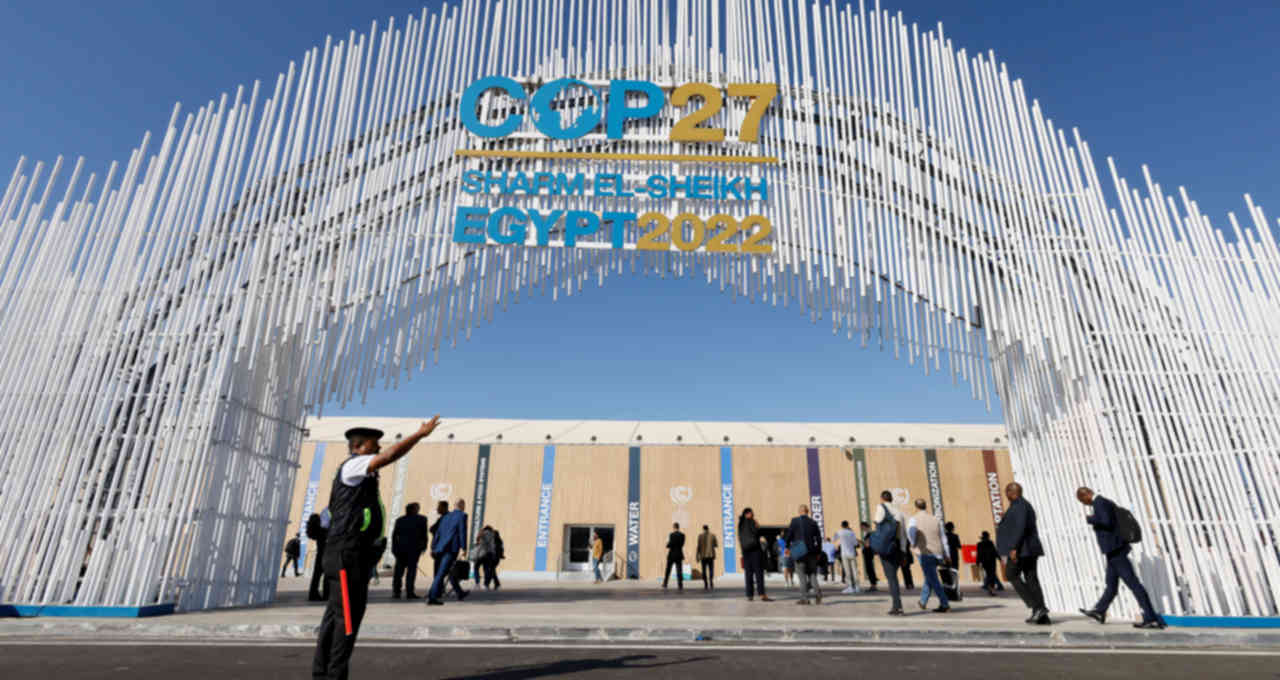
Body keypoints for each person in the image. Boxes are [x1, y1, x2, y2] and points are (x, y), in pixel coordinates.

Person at [312, 417, 441, 680]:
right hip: (346, 554)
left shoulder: (363, 476)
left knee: (336, 618)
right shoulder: (354, 466)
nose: (379, 448)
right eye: (374, 445)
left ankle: (322, 673)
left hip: (349, 554)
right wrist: (419, 435)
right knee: (347, 620)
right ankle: (333, 676)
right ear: (358, 447)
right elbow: (390, 456)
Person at [1076, 487, 1166, 629]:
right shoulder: (1103, 502)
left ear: (1086, 494)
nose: (1085, 504)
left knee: (1133, 584)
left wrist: (1091, 519)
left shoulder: (1100, 502)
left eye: (1082, 501)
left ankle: (1151, 618)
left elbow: (1107, 522)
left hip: (1115, 549)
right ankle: (1100, 611)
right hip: (1113, 550)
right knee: (1111, 585)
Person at [997, 482, 1050, 625]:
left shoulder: (1020, 505)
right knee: (1031, 579)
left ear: (1011, 492)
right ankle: (1042, 615)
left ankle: (1037, 607)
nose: (1006, 496)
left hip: (1022, 549)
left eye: (1006, 493)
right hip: (1027, 549)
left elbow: (1020, 527)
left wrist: (1014, 548)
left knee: (1011, 574)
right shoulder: (1021, 505)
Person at [907, 499, 951, 613]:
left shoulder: (913, 519)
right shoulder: (936, 519)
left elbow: (911, 533)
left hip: (925, 553)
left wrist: (913, 543)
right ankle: (923, 601)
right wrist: (947, 554)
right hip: (938, 552)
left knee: (933, 579)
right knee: (929, 576)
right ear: (926, 506)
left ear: (916, 507)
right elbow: (943, 538)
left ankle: (944, 603)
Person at [871, 491, 909, 615]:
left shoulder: (880, 507)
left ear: (882, 498)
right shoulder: (900, 513)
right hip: (898, 547)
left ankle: (897, 607)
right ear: (892, 499)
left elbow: (876, 522)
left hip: (887, 548)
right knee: (894, 577)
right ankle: (897, 605)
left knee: (892, 578)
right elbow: (903, 535)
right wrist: (903, 551)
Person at [427, 499, 469, 605]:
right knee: (441, 573)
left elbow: (437, 533)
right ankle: (432, 596)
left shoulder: (445, 517)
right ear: (462, 506)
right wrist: (464, 548)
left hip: (439, 549)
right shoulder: (462, 516)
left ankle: (459, 593)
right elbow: (462, 531)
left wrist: (433, 547)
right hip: (450, 549)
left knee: (446, 572)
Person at [784, 505, 824, 605]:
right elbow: (819, 539)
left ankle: (805, 599)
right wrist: (818, 552)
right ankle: (818, 594)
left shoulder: (795, 521)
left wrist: (788, 546)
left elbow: (788, 536)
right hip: (812, 553)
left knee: (801, 576)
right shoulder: (813, 522)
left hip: (800, 552)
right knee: (812, 574)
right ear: (808, 511)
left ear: (799, 511)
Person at [391, 503, 428, 599]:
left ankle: (396, 591)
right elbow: (424, 535)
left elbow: (394, 536)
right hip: (413, 550)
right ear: (414, 510)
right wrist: (424, 546)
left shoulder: (399, 520)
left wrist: (394, 548)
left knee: (399, 572)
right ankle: (409, 591)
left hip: (401, 549)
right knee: (411, 571)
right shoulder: (422, 519)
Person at [738, 508, 773, 602]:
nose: (753, 514)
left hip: (745, 551)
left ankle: (750, 595)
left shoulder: (740, 524)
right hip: (755, 551)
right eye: (752, 513)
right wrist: (757, 526)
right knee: (759, 573)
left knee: (748, 574)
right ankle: (762, 594)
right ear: (748, 513)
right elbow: (757, 533)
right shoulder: (752, 521)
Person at [306, 513, 329, 601]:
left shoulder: (318, 531)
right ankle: (326, 595)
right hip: (327, 555)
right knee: (327, 576)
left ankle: (313, 594)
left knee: (316, 576)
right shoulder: (325, 531)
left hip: (319, 555)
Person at [835, 520, 861, 594]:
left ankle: (850, 587)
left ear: (841, 526)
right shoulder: (851, 533)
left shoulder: (839, 532)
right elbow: (855, 543)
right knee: (854, 570)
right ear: (848, 525)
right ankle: (857, 587)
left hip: (844, 554)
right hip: (852, 553)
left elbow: (834, 539)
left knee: (847, 571)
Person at [472, 525, 501, 589]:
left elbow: (476, 542)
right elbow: (493, 546)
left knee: (476, 568)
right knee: (486, 570)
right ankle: (486, 584)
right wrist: (493, 554)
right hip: (488, 554)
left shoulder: (481, 533)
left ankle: (477, 583)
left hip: (480, 554)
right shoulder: (492, 535)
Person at [976, 530, 1003, 595]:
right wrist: (999, 558)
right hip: (992, 561)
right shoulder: (990, 543)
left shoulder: (979, 544)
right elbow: (994, 551)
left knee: (989, 574)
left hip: (985, 562)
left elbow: (979, 554)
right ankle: (991, 589)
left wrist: (978, 562)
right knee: (992, 575)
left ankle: (989, 587)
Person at [942, 521, 962, 601]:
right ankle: (956, 594)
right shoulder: (955, 536)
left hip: (946, 558)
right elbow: (959, 546)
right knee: (955, 576)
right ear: (952, 528)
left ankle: (948, 594)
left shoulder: (943, 536)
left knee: (946, 577)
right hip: (954, 558)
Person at [663, 523, 685, 591]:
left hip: (671, 555)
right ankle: (680, 584)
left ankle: (665, 583)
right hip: (679, 554)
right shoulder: (682, 535)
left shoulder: (671, 535)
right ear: (679, 527)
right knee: (679, 570)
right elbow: (682, 544)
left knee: (668, 570)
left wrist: (667, 543)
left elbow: (669, 545)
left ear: (674, 527)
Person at [697, 525, 719, 590]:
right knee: (711, 569)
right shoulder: (713, 535)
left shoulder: (700, 536)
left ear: (703, 529)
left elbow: (698, 547)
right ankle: (711, 581)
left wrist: (697, 555)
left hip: (703, 555)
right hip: (711, 555)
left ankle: (705, 583)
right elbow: (716, 545)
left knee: (704, 570)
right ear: (708, 529)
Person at [859, 521, 878, 592]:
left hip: (868, 553)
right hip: (869, 553)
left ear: (864, 526)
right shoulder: (870, 533)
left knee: (869, 569)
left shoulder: (869, 534)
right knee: (870, 569)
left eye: (861, 527)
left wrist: (860, 541)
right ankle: (873, 584)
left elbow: (867, 545)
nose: (861, 528)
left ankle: (873, 585)